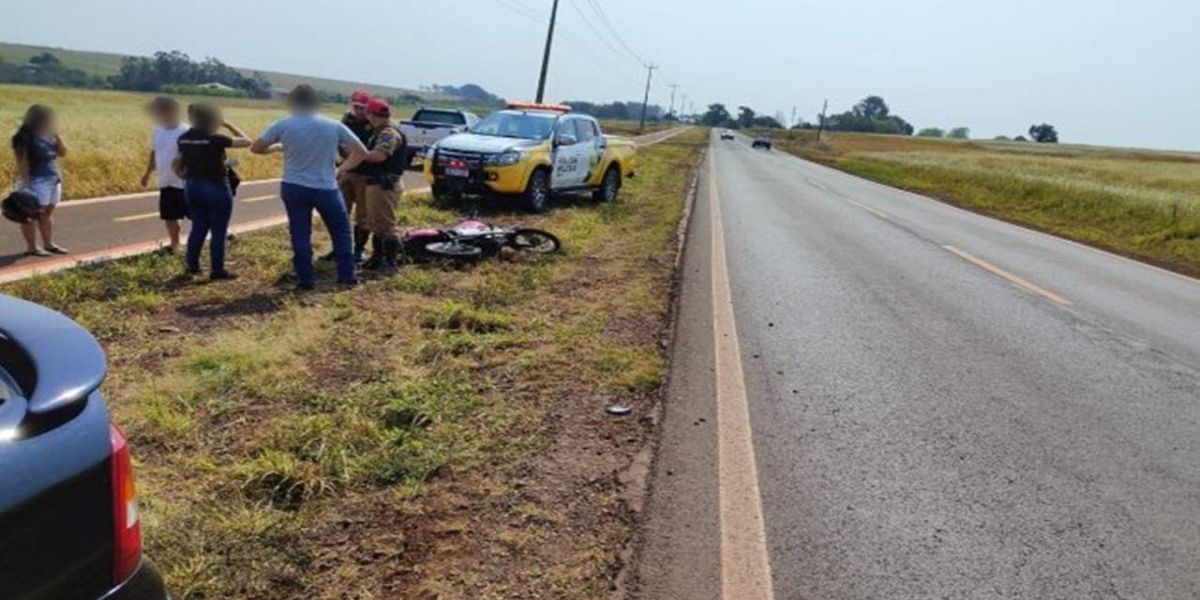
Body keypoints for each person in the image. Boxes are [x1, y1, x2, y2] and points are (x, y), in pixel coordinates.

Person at [251, 84, 367, 290]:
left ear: (294, 102)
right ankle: (347, 276)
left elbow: (256, 148)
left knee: (300, 233)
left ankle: (306, 279)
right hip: (326, 186)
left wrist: (277, 147)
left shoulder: (283, 124)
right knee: (341, 231)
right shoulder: (333, 125)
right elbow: (361, 152)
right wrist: (342, 169)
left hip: (294, 185)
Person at [173, 103, 251, 280]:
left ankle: (192, 266)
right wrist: (227, 124)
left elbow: (177, 162)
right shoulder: (215, 138)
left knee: (198, 227)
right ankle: (217, 270)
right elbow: (247, 141)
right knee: (219, 230)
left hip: (192, 186)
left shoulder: (183, 138)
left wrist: (182, 175)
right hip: (216, 186)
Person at [10, 104, 68, 256]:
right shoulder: (23, 137)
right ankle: (32, 247)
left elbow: (62, 153)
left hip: (52, 178)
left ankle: (48, 244)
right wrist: (26, 185)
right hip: (36, 180)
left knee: (47, 213)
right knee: (31, 214)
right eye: (46, 118)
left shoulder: (49, 135)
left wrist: (57, 136)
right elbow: (22, 162)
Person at [325, 88, 375, 263]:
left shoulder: (373, 124)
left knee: (363, 215)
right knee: (339, 212)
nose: (359, 111)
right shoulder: (347, 121)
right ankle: (338, 248)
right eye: (356, 107)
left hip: (365, 174)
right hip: (346, 172)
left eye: (363, 107)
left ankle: (358, 250)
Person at [358, 98, 406, 272]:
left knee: (385, 225)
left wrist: (358, 154)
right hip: (378, 183)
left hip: (385, 184)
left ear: (371, 114)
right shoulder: (380, 131)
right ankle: (378, 258)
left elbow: (379, 156)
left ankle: (391, 262)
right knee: (375, 223)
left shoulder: (387, 133)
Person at [140, 96, 190, 253]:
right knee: (170, 216)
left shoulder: (186, 131)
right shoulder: (158, 131)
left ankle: (221, 235)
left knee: (196, 214)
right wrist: (147, 173)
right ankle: (175, 244)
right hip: (165, 180)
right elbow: (154, 153)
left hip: (184, 182)